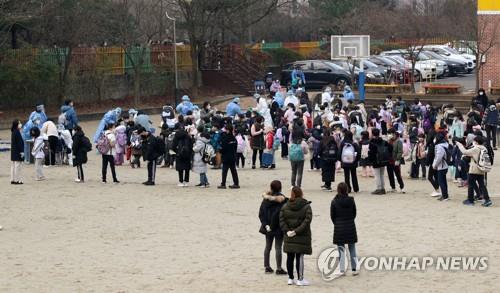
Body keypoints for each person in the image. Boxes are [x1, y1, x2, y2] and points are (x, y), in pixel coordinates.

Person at [279, 186, 312, 286]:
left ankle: (290, 278)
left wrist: (288, 231)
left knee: (290, 257)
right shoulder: (306, 206)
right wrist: (296, 231)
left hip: (289, 236)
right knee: (299, 257)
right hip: (301, 235)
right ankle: (300, 279)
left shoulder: (285, 206)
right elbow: (307, 221)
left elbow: (281, 220)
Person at [259, 180, 288, 275]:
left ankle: (267, 266)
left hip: (267, 226)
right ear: (280, 188)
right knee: (278, 247)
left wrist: (265, 224)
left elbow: (261, 214)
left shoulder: (265, 200)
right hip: (278, 227)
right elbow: (283, 214)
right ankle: (279, 268)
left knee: (268, 246)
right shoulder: (283, 200)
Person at [330, 182, 358, 276]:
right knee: (352, 248)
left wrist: (337, 223)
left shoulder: (334, 201)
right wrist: (350, 220)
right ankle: (354, 268)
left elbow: (332, 216)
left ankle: (342, 269)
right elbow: (354, 213)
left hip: (339, 227)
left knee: (341, 250)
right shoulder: (351, 200)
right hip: (350, 226)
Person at [456, 136, 493, 207]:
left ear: (476, 141)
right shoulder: (483, 148)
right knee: (482, 185)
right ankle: (487, 200)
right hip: (481, 169)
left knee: (470, 184)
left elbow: (465, 152)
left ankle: (470, 200)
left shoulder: (476, 149)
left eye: (474, 141)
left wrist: (459, 144)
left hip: (474, 169)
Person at [368, 128, 392, 195]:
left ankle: (379, 188)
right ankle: (383, 188)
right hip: (384, 160)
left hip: (376, 160)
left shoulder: (372, 142)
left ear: (373, 134)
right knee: (381, 174)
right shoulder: (384, 141)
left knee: (377, 175)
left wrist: (371, 161)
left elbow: (371, 153)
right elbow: (390, 148)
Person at [218, 124, 240, 189]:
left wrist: (220, 151)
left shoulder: (225, 138)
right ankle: (236, 183)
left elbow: (223, 148)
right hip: (233, 156)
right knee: (233, 171)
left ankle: (223, 184)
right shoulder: (234, 138)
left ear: (227, 130)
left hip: (226, 157)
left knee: (224, 171)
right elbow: (235, 147)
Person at [432, 132, 450, 201]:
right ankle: (445, 195)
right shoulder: (445, 144)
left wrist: (434, 165)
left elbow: (438, 157)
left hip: (441, 166)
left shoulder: (440, 146)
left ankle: (445, 196)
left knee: (441, 181)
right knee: (443, 181)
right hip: (445, 165)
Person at [387, 129, 405, 193]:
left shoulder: (398, 141)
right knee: (390, 174)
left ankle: (402, 187)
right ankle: (393, 187)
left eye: (391, 134)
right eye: (389, 134)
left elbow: (400, 151)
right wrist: (388, 140)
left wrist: (397, 159)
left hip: (395, 160)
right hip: (389, 160)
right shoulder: (389, 141)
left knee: (397, 174)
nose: (390, 135)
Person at [10, 119, 24, 184]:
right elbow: (19, 143)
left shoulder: (13, 131)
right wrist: (21, 152)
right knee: (17, 166)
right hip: (17, 151)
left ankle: (12, 179)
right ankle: (17, 180)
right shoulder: (17, 132)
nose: (20, 124)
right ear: (16, 125)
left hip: (13, 151)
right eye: (19, 123)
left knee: (13, 166)